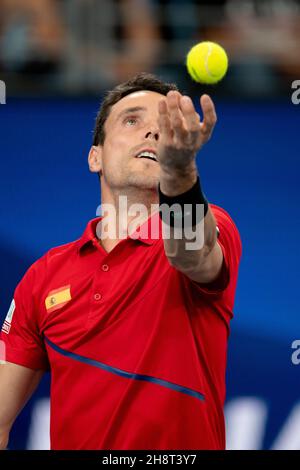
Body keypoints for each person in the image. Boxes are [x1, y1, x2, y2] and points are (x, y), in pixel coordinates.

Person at [0, 72, 241, 450]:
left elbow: (191, 254)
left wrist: (179, 172)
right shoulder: (43, 276)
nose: (152, 133)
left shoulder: (211, 225)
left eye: (163, 123)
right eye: (132, 120)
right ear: (95, 156)